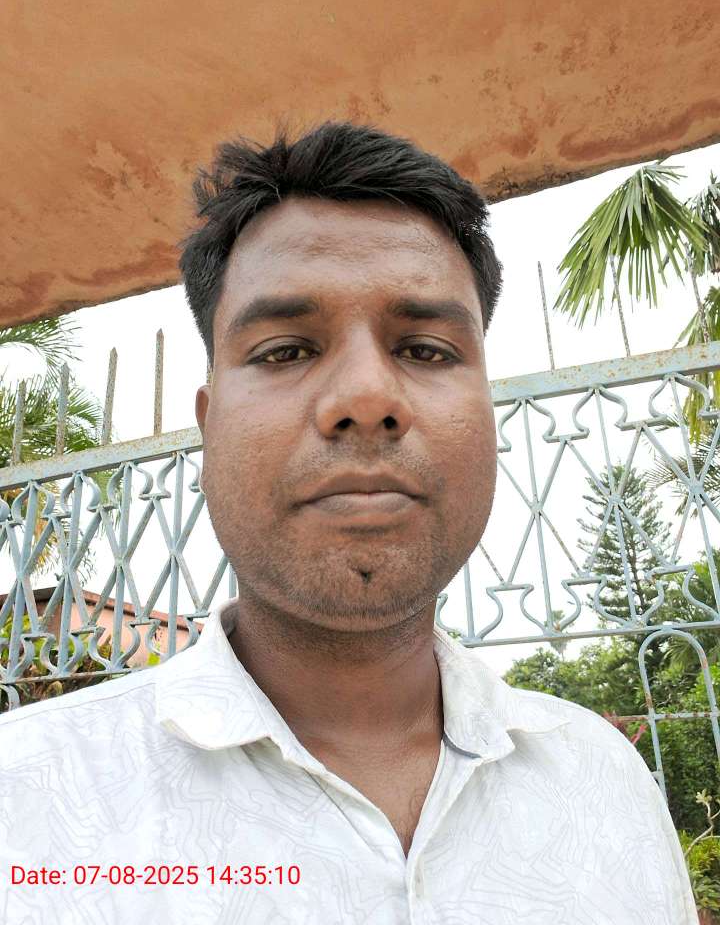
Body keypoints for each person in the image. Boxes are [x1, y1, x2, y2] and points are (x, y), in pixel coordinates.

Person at [0, 122, 698, 924]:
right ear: (208, 426)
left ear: (488, 415)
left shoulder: (605, 783)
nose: (367, 398)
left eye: (427, 350)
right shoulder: (25, 798)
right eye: (286, 350)